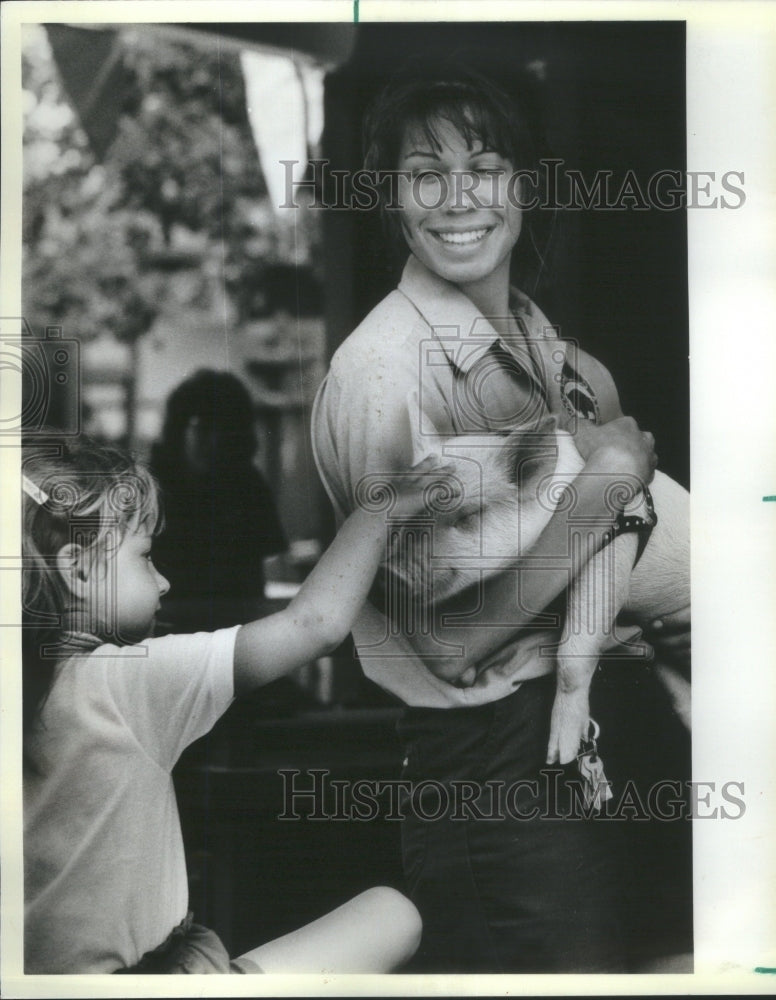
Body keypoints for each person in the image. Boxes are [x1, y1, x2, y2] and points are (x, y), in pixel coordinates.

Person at [311, 58, 689, 972]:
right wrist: (607, 486)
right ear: (392, 198)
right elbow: (448, 641)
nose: (456, 198)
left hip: (597, 735)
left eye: (483, 166)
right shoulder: (387, 374)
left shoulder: (546, 346)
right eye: (424, 173)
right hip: (492, 773)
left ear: (525, 184)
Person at [21, 432, 440, 974]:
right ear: (77, 570)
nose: (165, 581)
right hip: (155, 984)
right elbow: (313, 626)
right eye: (146, 558)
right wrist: (383, 504)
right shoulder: (123, 682)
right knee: (395, 913)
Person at [149, 370, 285, 628]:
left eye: (225, 432)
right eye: (203, 428)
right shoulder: (152, 486)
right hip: (166, 630)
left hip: (237, 631)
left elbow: (268, 562)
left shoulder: (248, 484)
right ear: (179, 428)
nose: (213, 443)